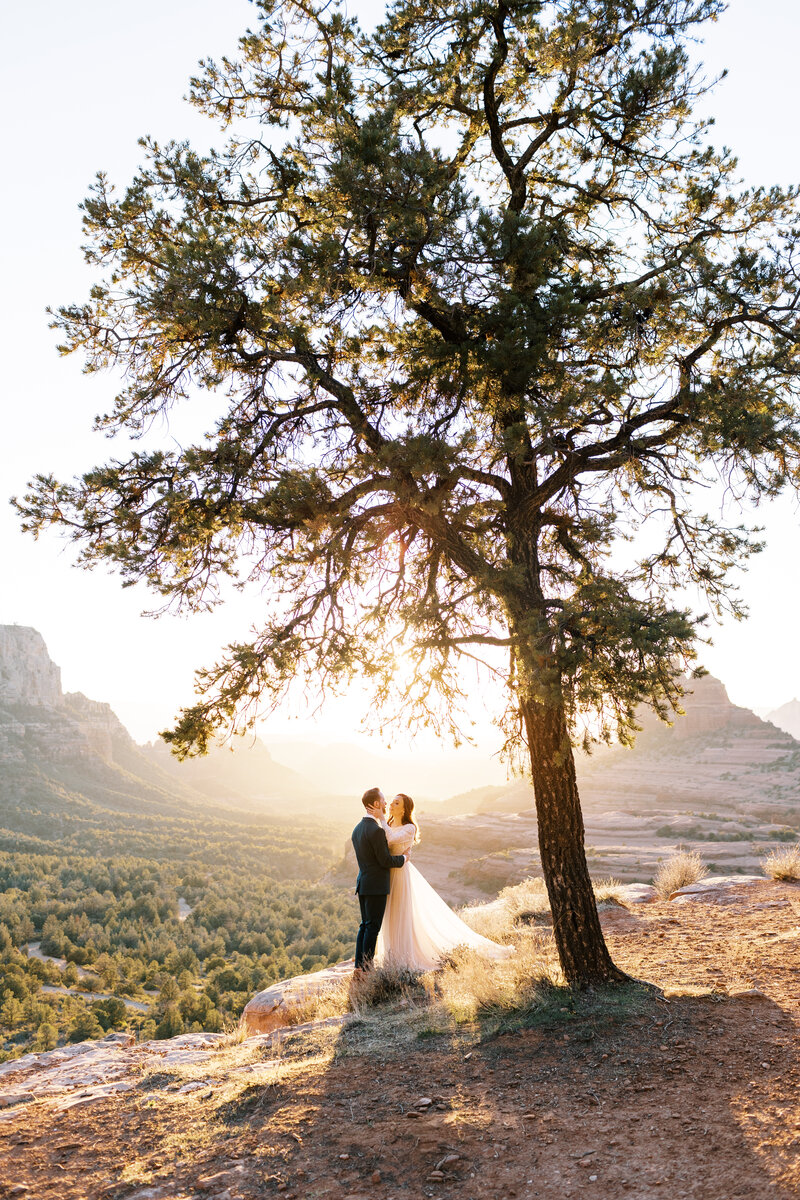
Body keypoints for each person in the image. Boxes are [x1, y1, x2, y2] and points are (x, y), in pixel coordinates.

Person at [374, 792, 513, 971]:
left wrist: (381, 820)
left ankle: (403, 957)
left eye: (396, 803)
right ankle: (391, 955)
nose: (391, 805)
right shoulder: (390, 823)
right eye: (392, 802)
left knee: (400, 913)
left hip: (400, 875)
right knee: (390, 913)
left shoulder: (409, 828)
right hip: (388, 873)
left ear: (405, 808)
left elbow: (392, 839)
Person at [351, 786, 409, 969]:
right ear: (376, 803)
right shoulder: (376, 831)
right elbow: (384, 860)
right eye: (384, 800)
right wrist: (404, 858)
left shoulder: (357, 828)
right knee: (373, 927)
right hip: (376, 885)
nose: (386, 803)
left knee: (364, 925)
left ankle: (359, 966)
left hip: (363, 882)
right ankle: (367, 968)